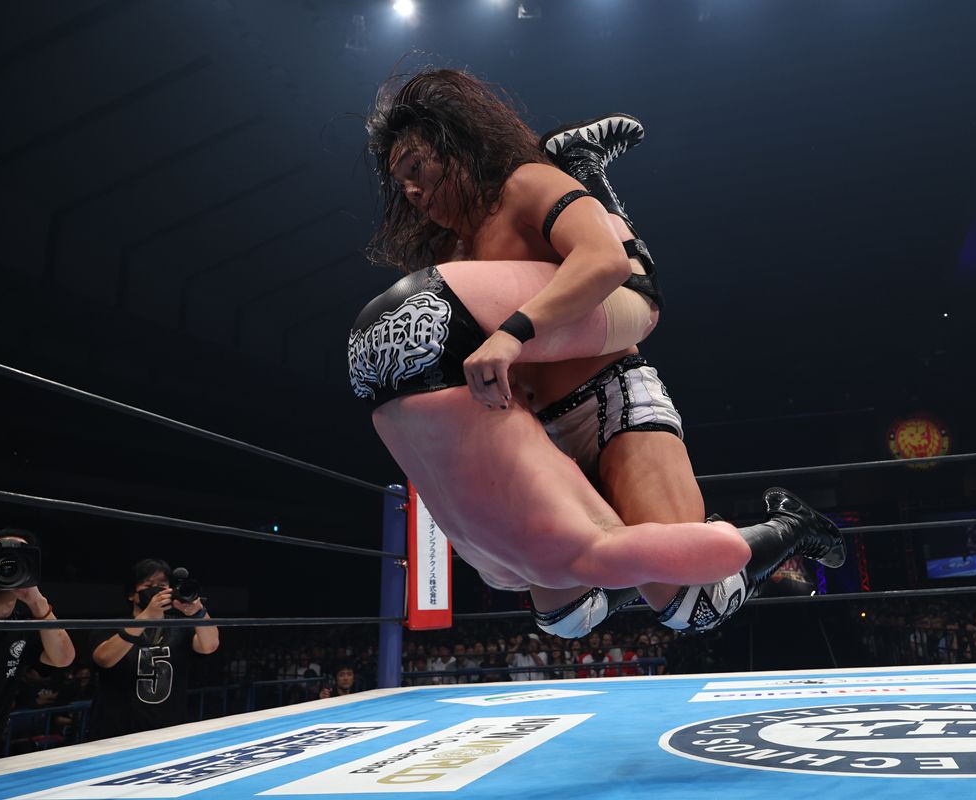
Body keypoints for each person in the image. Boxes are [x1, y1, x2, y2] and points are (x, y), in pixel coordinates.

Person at [352, 68, 844, 640]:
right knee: (565, 615)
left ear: (453, 147)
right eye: (402, 183)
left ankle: (792, 525)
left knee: (691, 603)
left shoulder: (525, 186)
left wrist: (513, 334)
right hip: (540, 433)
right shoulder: (449, 255)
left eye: (417, 168)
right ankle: (644, 552)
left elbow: (605, 260)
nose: (413, 191)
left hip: (610, 397)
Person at [89, 559, 220, 739]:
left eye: (162, 585)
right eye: (149, 585)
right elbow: (104, 658)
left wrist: (198, 612)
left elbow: (209, 646)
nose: (156, 590)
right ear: (132, 594)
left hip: (168, 732)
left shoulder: (180, 627)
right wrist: (147, 616)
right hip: (116, 734)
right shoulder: (112, 626)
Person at [0, 529, 75, 756]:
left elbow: (62, 658)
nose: (9, 564)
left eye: (19, 558)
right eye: (1, 555)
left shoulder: (23, 623)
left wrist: (37, 602)